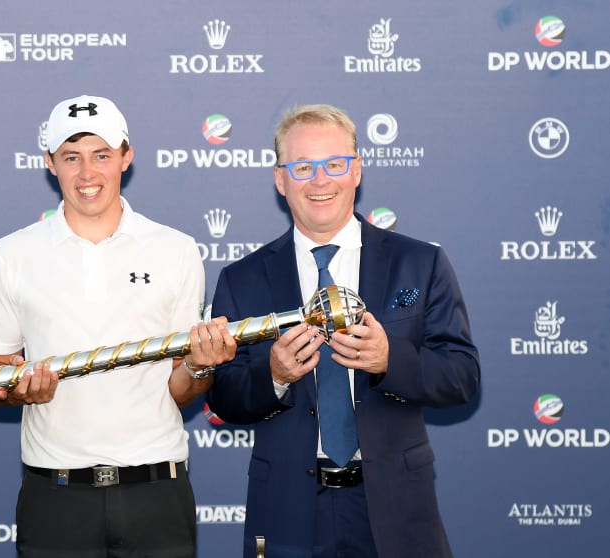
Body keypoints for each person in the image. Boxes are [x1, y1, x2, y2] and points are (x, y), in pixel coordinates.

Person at [205, 104, 480, 558]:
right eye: (303, 167)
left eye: (334, 164)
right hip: (287, 511)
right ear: (280, 179)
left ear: (356, 171)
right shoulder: (243, 278)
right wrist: (273, 375)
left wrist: (391, 360)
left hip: (397, 510)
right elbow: (224, 397)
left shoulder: (419, 262)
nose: (320, 181)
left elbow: (463, 375)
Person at [0, 94, 236, 557]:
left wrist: (201, 367)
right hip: (55, 496)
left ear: (126, 156)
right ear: (49, 163)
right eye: (70, 157)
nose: (87, 173)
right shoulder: (11, 254)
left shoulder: (175, 250)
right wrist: (19, 389)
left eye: (101, 155)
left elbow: (182, 388)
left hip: (157, 491)